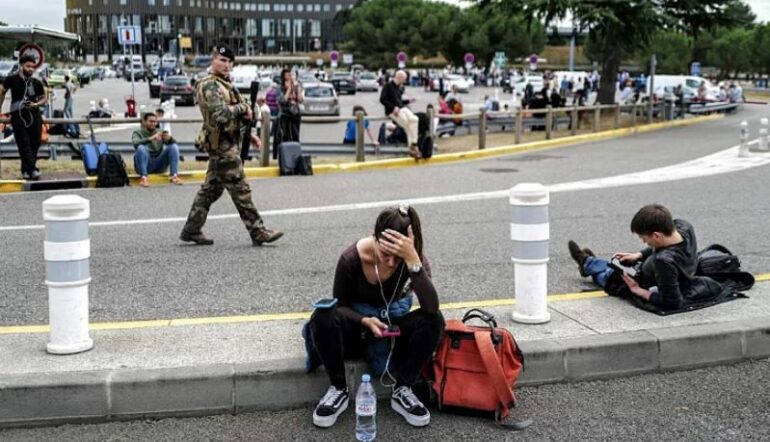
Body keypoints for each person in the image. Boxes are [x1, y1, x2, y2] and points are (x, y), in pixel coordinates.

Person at [305, 205, 443, 428]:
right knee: (323, 315)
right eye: (385, 254)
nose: (390, 263)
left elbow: (431, 307)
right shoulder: (351, 258)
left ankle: (403, 388)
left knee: (433, 320)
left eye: (397, 258)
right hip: (358, 330)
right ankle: (338, 388)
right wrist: (364, 321)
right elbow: (340, 306)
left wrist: (412, 261)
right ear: (374, 237)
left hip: (390, 331)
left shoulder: (412, 259)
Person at [180, 44, 283, 247]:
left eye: (230, 62)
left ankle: (191, 229)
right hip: (222, 146)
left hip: (228, 142)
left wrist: (249, 133)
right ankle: (258, 231)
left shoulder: (224, 84)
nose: (226, 65)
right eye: (222, 60)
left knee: (211, 189)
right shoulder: (209, 85)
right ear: (213, 60)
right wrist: (243, 107)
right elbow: (220, 115)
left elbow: (238, 113)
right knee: (240, 187)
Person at [567, 204, 733, 312]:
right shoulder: (683, 227)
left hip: (640, 280)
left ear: (656, 235)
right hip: (645, 268)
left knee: (609, 276)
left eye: (643, 237)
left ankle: (586, 263)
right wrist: (639, 255)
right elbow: (660, 246)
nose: (642, 241)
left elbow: (672, 302)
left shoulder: (664, 262)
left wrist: (637, 290)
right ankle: (589, 263)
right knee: (618, 264)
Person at [0, 54, 48, 180]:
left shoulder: (36, 82)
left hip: (34, 115)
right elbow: (2, 93)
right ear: (21, 66)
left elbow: (44, 98)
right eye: (28, 66)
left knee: (35, 143)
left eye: (33, 67)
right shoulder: (12, 79)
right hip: (18, 116)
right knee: (24, 143)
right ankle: (32, 169)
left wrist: (36, 104)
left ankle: (25, 170)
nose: (31, 69)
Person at [131, 112, 182, 187]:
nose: (153, 124)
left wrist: (170, 139)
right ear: (144, 122)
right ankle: (144, 178)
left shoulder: (159, 132)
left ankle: (174, 176)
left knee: (173, 147)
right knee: (141, 148)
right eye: (151, 121)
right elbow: (135, 143)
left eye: (155, 122)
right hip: (145, 163)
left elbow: (174, 145)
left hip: (159, 164)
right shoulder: (137, 133)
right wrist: (150, 139)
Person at [380, 70, 421, 159]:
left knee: (415, 119)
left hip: (402, 108)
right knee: (407, 124)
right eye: (404, 79)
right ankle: (413, 147)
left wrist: (409, 100)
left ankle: (413, 144)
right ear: (399, 77)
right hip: (392, 111)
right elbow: (382, 99)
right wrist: (393, 107)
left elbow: (399, 101)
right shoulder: (387, 86)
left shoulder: (399, 88)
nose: (404, 81)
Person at [277, 68, 303, 144]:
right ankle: (285, 151)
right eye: (287, 75)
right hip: (285, 113)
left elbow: (300, 100)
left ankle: (296, 151)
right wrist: (288, 89)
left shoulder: (295, 86)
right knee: (285, 134)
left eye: (290, 75)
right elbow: (282, 100)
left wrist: (297, 88)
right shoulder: (280, 88)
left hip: (295, 113)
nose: (290, 77)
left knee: (296, 134)